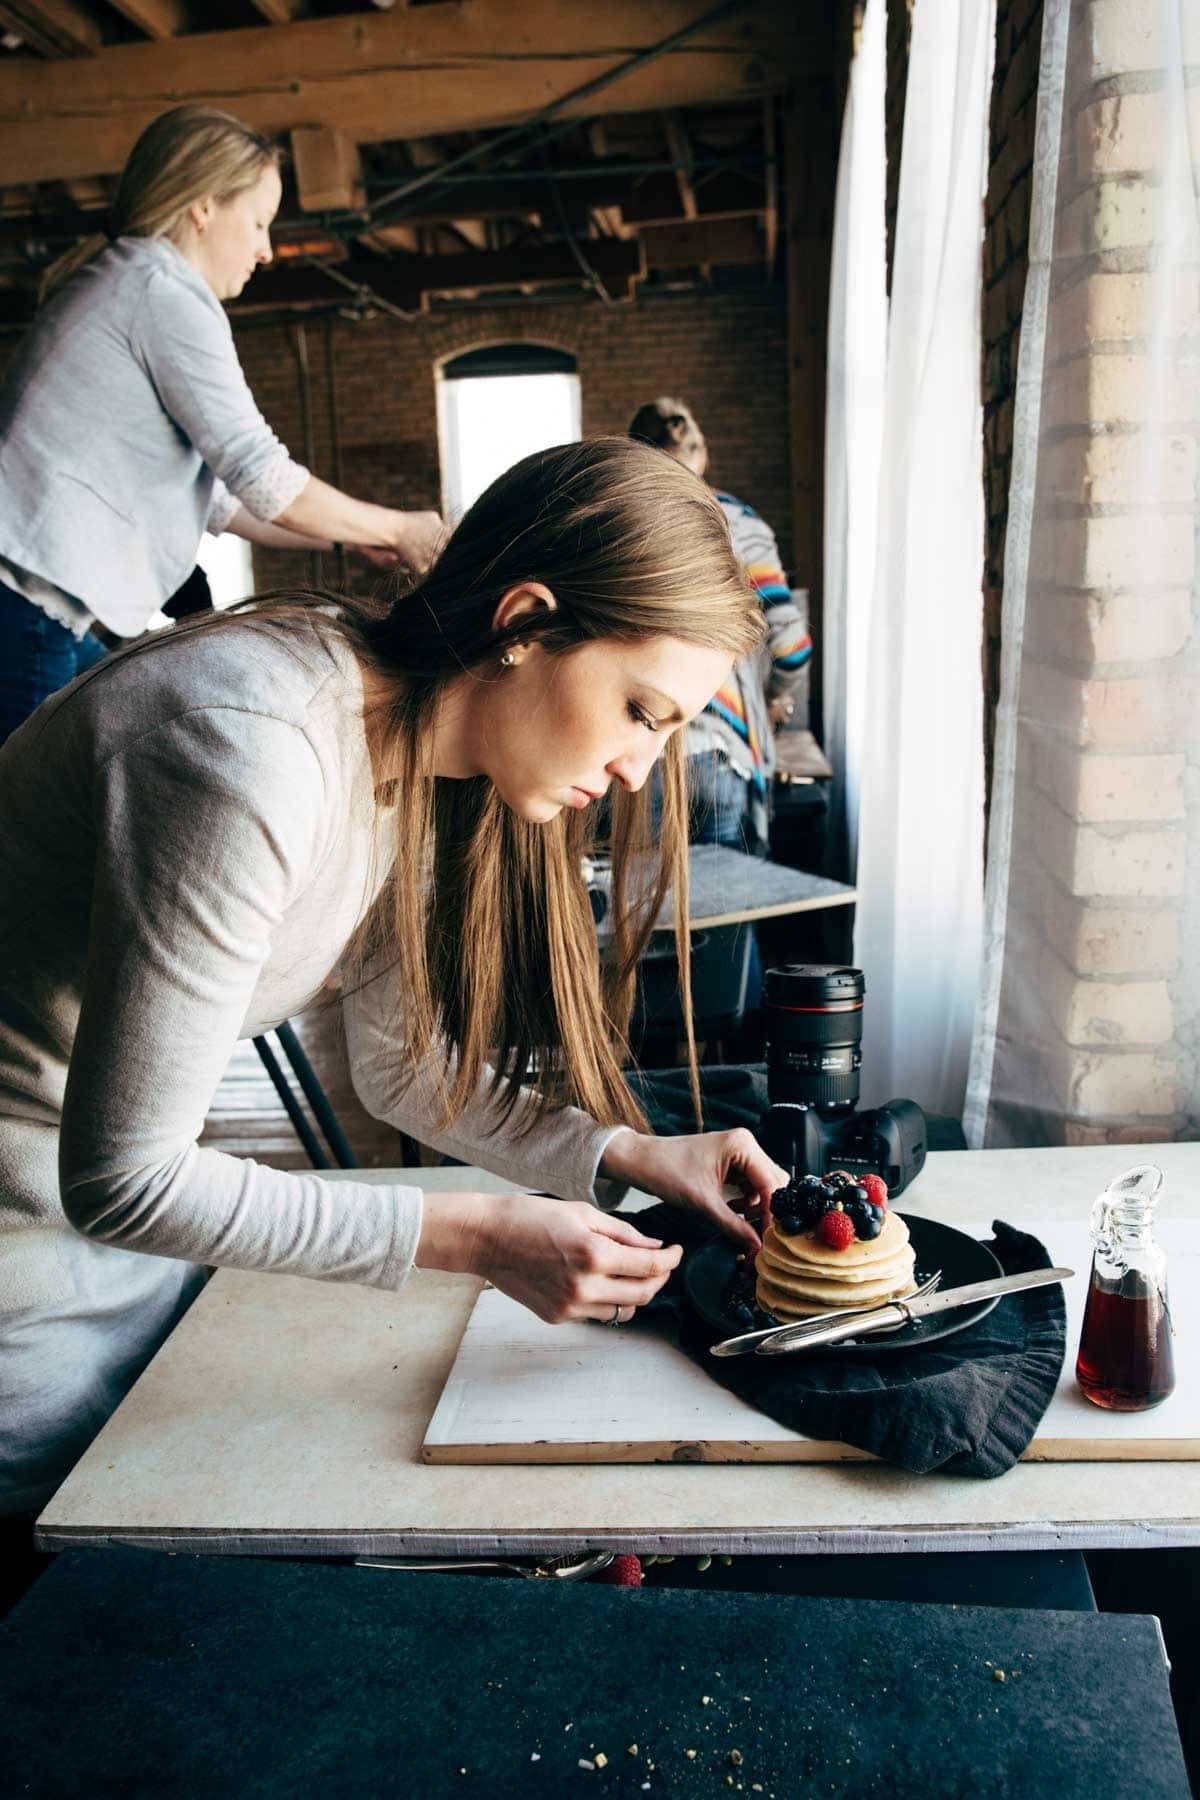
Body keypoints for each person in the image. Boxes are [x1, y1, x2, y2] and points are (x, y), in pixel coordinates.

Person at [0, 436, 788, 1520]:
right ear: (523, 624)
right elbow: (126, 1175)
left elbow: (399, 1073)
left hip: (114, 1241)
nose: (638, 772)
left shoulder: (415, 749)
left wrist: (626, 1154)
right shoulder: (251, 750)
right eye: (641, 712)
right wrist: (471, 1237)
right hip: (18, 1266)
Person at [0, 104, 443, 742]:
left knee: (108, 760)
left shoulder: (131, 281)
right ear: (204, 206)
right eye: (259, 221)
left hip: (41, 610)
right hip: (23, 608)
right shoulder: (164, 292)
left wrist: (352, 536)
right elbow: (263, 476)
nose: (266, 250)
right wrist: (401, 528)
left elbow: (226, 504)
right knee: (35, 825)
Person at [627, 397, 812, 856]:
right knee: (730, 916)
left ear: (635, 454)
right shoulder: (736, 523)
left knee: (641, 919)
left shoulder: (617, 519)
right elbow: (791, 645)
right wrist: (774, 699)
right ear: (701, 453)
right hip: (716, 752)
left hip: (630, 754)